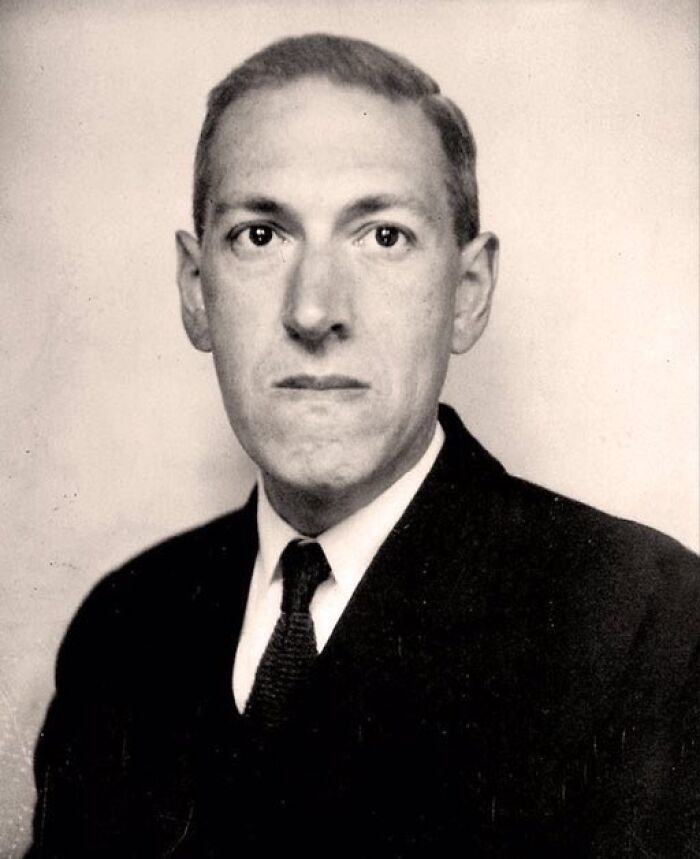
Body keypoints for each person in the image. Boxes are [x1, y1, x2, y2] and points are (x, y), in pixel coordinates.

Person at [27, 33, 699, 857]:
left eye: (382, 236)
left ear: (467, 293)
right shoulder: (122, 628)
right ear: (197, 292)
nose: (314, 311)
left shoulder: (647, 625)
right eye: (260, 236)